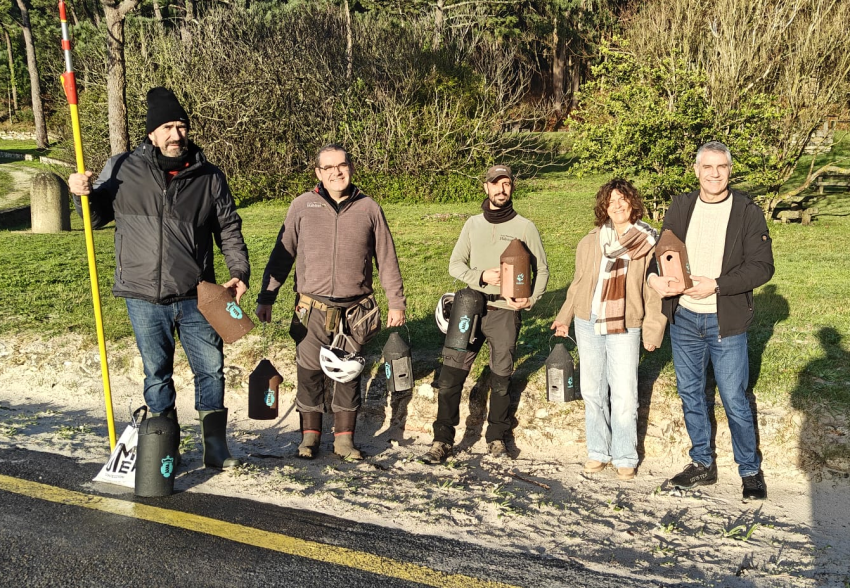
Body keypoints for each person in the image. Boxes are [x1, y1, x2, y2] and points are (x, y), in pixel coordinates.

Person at [68, 87, 249, 469]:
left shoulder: (209, 176)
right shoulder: (121, 168)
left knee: (211, 368)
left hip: (198, 293)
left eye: (181, 126)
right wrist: (81, 193)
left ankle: (216, 447)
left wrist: (238, 272)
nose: (175, 134)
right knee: (156, 373)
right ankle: (165, 444)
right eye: (167, 126)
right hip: (143, 294)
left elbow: (229, 228)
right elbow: (96, 217)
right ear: (152, 133)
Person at [255, 144, 406, 460]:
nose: (337, 172)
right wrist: (267, 296)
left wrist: (396, 302)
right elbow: (282, 255)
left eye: (342, 165)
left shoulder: (369, 208)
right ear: (318, 173)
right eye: (329, 168)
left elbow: (386, 259)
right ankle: (309, 439)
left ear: (350, 167)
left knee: (348, 373)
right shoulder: (301, 206)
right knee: (309, 372)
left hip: (355, 311)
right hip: (311, 308)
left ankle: (343, 441)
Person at [648, 141, 774, 501]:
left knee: (733, 397)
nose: (714, 174)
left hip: (725, 321)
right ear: (697, 170)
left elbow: (762, 266)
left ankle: (749, 471)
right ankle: (701, 463)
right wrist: (656, 278)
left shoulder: (747, 211)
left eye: (721, 167)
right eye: (708, 167)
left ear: (729, 171)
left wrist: (717, 285)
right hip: (684, 318)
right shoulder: (681, 206)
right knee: (690, 393)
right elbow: (663, 252)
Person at [421, 165, 549, 464]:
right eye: (495, 184)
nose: (501, 189)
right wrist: (481, 276)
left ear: (511, 188)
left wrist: (531, 299)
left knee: (502, 377)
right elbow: (455, 264)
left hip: (505, 311)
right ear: (486, 188)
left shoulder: (525, 227)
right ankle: (442, 440)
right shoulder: (472, 225)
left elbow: (541, 269)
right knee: (451, 375)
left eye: (506, 184)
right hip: (470, 307)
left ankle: (496, 438)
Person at [551, 179, 665, 481]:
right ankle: (598, 451)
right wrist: (564, 317)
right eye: (611, 200)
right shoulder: (590, 241)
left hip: (626, 323)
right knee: (592, 389)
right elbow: (578, 283)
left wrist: (653, 330)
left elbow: (652, 292)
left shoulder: (648, 241)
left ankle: (625, 455)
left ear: (632, 204)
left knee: (625, 392)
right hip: (588, 321)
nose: (617, 205)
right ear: (604, 206)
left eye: (622, 199)